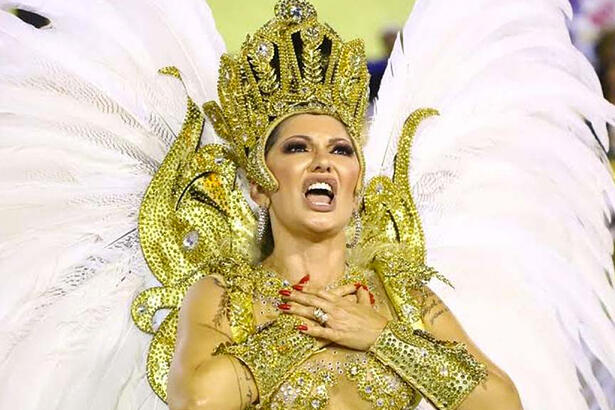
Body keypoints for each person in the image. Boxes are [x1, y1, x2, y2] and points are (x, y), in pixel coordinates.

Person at [1, 0, 614, 409]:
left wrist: (381, 337)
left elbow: (501, 401)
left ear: (356, 182)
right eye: (298, 147)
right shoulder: (222, 295)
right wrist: (305, 326)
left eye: (341, 150)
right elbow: (200, 399)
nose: (324, 161)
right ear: (260, 185)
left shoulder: (402, 297)